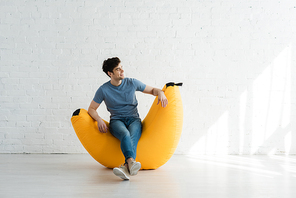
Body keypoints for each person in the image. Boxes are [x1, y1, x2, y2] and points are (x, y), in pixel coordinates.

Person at [88, 57, 168, 180]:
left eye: (121, 67)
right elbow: (91, 109)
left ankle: (125, 166)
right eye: (118, 69)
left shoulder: (132, 82)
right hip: (116, 121)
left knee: (132, 136)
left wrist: (161, 93)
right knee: (125, 134)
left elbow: (153, 90)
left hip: (134, 119)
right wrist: (98, 119)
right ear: (110, 73)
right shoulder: (103, 89)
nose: (122, 70)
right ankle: (130, 162)